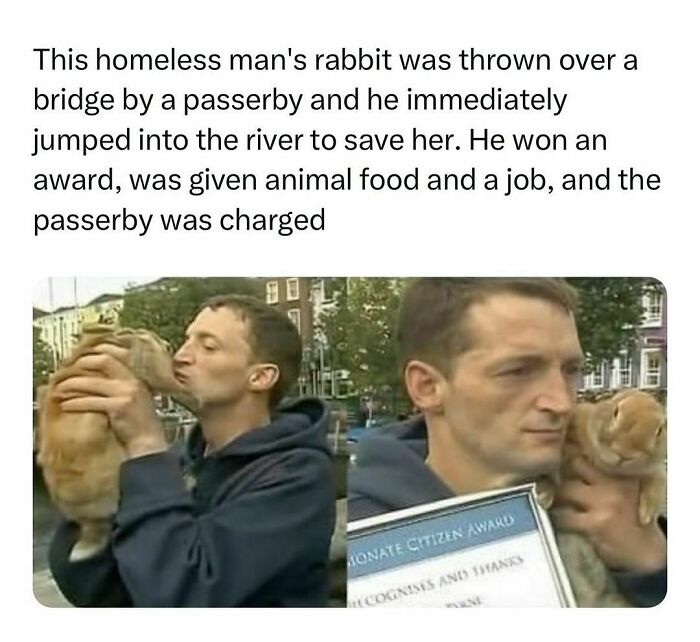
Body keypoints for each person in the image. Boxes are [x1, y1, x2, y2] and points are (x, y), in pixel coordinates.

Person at [348, 278, 666, 606]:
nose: (561, 402)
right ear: (427, 387)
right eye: (518, 371)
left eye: (570, 371)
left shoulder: (630, 515)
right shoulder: (350, 550)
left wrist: (654, 567)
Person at [48, 294, 335, 607]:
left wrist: (145, 442)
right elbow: (96, 586)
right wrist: (85, 453)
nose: (182, 355)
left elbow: (183, 595)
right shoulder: (181, 462)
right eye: (187, 340)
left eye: (208, 346)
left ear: (260, 376)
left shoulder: (298, 477)